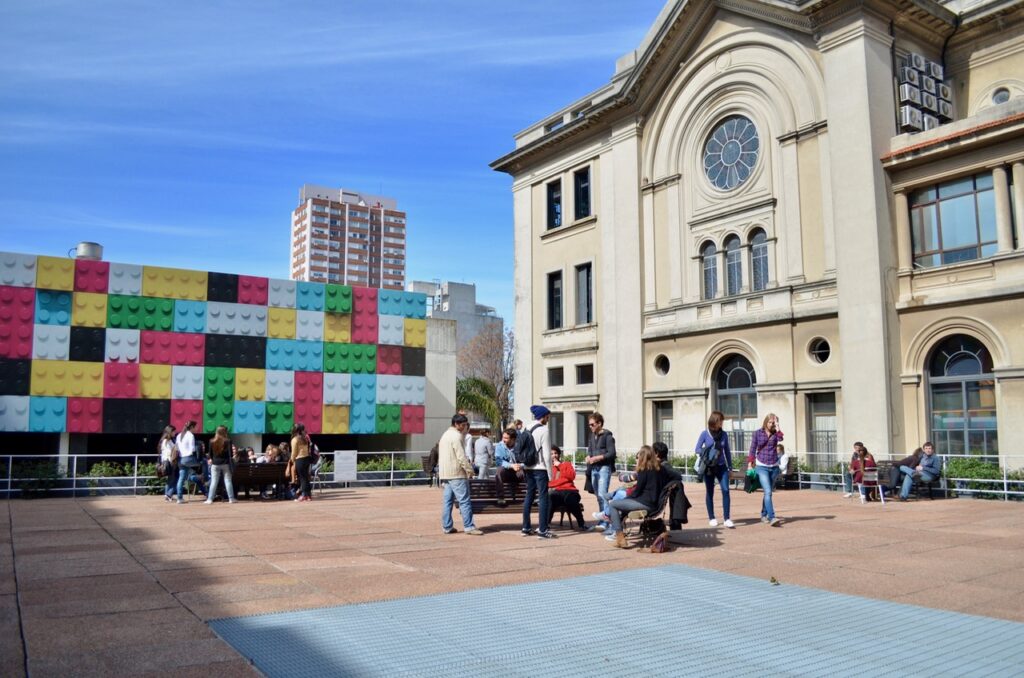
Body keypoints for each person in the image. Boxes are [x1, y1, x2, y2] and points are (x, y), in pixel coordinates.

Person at [599, 446, 674, 548]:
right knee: (621, 504)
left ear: (642, 457)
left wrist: (626, 499)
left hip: (645, 504)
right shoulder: (661, 469)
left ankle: (619, 538)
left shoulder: (644, 470)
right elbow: (677, 477)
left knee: (613, 505)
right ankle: (618, 534)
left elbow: (637, 491)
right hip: (655, 505)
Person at [439, 414, 483, 535]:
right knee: (464, 500)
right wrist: (470, 470)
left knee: (448, 502)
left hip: (446, 473)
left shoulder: (445, 435)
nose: (465, 427)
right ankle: (469, 526)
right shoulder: (456, 436)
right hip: (457, 473)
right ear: (456, 424)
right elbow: (461, 457)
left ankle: (447, 526)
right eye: (463, 425)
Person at [695, 411, 734, 528]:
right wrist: (707, 451)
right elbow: (697, 449)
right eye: (721, 420)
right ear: (715, 421)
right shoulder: (705, 434)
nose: (722, 423)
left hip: (722, 466)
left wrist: (730, 468)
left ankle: (727, 518)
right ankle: (712, 517)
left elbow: (727, 451)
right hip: (709, 467)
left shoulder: (724, 435)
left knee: (726, 490)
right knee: (710, 492)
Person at [522, 405, 555, 539]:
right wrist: (550, 473)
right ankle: (542, 529)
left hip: (528, 467)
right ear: (544, 416)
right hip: (540, 468)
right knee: (543, 499)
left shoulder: (527, 428)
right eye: (548, 416)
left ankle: (526, 527)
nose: (548, 419)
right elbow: (547, 455)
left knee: (529, 496)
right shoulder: (544, 430)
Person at [748, 413, 784, 526]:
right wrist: (750, 463)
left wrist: (778, 427)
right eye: (770, 422)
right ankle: (772, 517)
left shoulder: (775, 434)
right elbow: (752, 448)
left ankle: (763, 514)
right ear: (765, 422)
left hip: (774, 466)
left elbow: (781, 438)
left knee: (767, 493)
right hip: (761, 465)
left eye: (773, 422)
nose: (771, 424)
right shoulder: (757, 433)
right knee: (768, 492)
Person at [584, 412, 616, 533]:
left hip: (603, 468)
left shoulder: (608, 436)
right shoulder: (592, 436)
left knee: (603, 495)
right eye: (589, 425)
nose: (590, 427)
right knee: (598, 496)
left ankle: (608, 522)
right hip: (594, 468)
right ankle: (602, 521)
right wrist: (589, 457)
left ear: (599, 423)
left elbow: (612, 453)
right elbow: (590, 450)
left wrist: (597, 458)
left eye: (592, 424)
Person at [548, 445, 586, 529]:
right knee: (551, 498)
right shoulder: (549, 468)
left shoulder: (566, 464)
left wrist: (560, 466)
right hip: (556, 491)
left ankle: (581, 524)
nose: (554, 455)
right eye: (551, 454)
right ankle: (545, 525)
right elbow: (549, 483)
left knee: (571, 499)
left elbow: (572, 476)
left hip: (570, 490)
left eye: (556, 453)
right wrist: (564, 479)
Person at [174, 420, 206, 503]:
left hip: (180, 459)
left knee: (181, 478)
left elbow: (177, 447)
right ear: (192, 427)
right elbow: (192, 449)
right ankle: (205, 478)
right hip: (188, 458)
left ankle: (179, 498)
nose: (197, 428)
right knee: (204, 461)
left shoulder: (179, 435)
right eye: (196, 427)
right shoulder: (191, 435)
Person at [205, 425, 236, 504]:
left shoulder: (212, 441)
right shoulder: (228, 441)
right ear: (224, 432)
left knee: (214, 481)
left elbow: (210, 454)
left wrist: (213, 459)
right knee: (228, 481)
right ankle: (231, 498)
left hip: (215, 463)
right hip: (226, 463)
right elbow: (231, 454)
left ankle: (210, 499)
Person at [494, 428, 522, 506]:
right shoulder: (499, 446)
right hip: (506, 470)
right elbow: (499, 461)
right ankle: (501, 497)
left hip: (518, 470)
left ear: (513, 439)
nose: (503, 440)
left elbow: (525, 461)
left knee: (528, 471)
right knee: (499, 471)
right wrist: (511, 465)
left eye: (506, 438)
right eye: (503, 437)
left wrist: (519, 465)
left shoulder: (519, 446)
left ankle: (532, 497)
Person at [290, 423, 314, 502]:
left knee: (302, 479)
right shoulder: (305, 438)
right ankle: (308, 496)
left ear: (295, 430)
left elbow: (294, 452)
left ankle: (303, 496)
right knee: (306, 478)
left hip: (299, 460)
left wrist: (292, 460)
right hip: (306, 459)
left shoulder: (294, 439)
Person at [159, 425, 177, 502]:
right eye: (173, 431)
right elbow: (170, 452)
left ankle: (167, 495)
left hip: (165, 462)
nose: (175, 433)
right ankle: (169, 494)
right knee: (174, 479)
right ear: (170, 432)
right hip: (170, 462)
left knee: (169, 480)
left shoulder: (163, 441)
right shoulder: (168, 441)